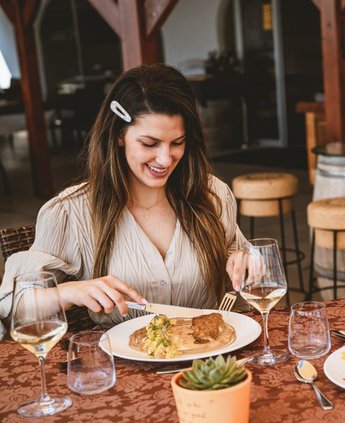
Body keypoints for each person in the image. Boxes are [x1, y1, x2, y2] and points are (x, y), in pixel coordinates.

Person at [0, 64, 247, 327]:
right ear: (119, 135)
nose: (165, 159)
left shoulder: (213, 194)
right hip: (120, 366)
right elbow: (15, 305)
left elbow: (240, 268)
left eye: (177, 143)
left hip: (209, 362)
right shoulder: (70, 211)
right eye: (149, 144)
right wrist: (68, 292)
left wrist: (244, 264)